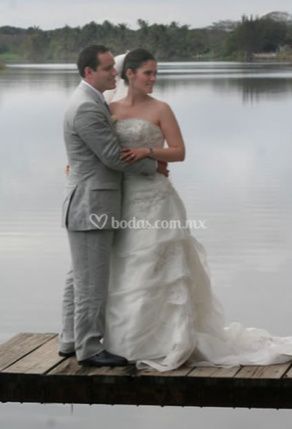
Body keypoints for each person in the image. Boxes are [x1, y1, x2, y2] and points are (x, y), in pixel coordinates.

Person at [102, 48, 292, 372]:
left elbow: (179, 151)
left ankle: (170, 340)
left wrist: (149, 151)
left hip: (158, 199)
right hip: (124, 198)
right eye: (148, 72)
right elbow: (100, 148)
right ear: (129, 74)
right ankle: (126, 341)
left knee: (160, 266)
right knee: (128, 266)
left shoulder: (161, 108)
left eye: (156, 73)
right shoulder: (110, 109)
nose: (153, 78)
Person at [58, 45, 167, 367]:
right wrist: (154, 167)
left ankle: (69, 339)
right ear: (89, 72)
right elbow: (111, 156)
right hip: (92, 204)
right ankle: (90, 348)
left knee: (79, 276)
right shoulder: (87, 108)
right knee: (91, 280)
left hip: (89, 200)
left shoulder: (90, 100)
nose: (114, 74)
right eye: (107, 69)